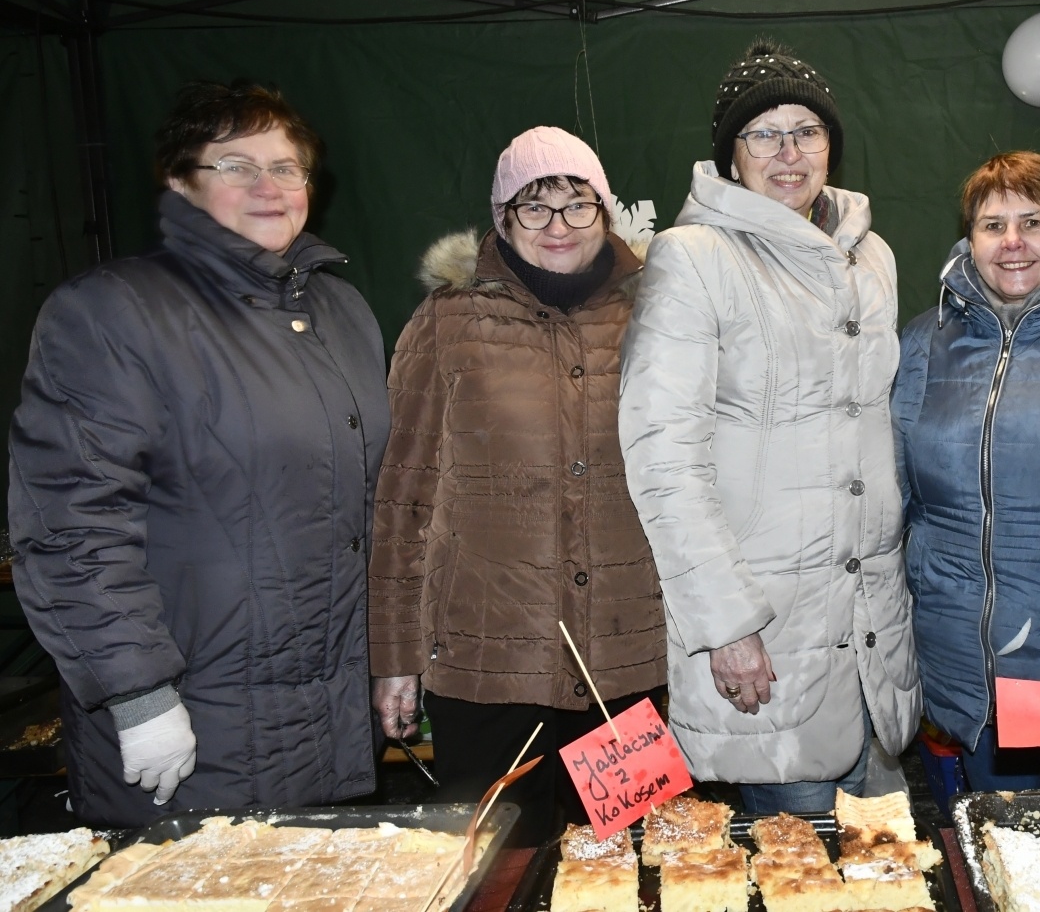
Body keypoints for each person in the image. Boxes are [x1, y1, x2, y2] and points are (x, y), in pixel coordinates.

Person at [8, 81, 389, 826]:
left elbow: (365, 510)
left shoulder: (342, 311)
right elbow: (71, 526)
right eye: (237, 166)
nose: (269, 187)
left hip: (324, 720)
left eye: (287, 167)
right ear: (181, 182)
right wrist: (138, 694)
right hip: (191, 725)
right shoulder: (114, 312)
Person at [618, 41, 920, 814]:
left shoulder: (871, 256)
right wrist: (726, 625)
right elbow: (664, 458)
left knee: (882, 876)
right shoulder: (694, 258)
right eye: (764, 133)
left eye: (807, 130)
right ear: (731, 154)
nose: (789, 152)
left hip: (870, 633)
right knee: (793, 869)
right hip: (768, 631)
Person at [368, 127, 665, 844]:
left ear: (606, 211)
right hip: (486, 672)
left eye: (577, 204)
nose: (558, 226)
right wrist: (395, 658)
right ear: (502, 219)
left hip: (628, 668)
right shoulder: (446, 323)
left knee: (631, 865)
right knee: (498, 870)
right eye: (535, 208)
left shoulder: (654, 315)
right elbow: (402, 500)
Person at [892, 151, 1040, 791]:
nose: (1013, 243)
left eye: (1033, 221)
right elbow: (895, 500)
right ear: (969, 239)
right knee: (997, 866)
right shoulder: (923, 342)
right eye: (992, 225)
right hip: (961, 671)